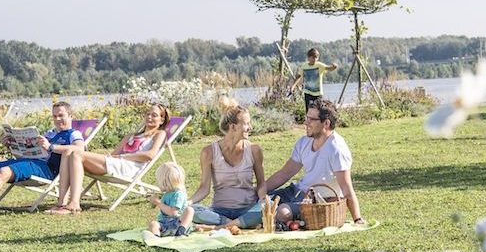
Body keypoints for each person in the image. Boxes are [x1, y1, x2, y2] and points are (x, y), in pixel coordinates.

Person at [44, 103, 171, 214]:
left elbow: (150, 155)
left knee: (76, 153)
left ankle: (74, 204)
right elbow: (113, 154)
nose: (149, 117)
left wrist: (122, 157)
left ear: (161, 120)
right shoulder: (131, 135)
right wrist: (114, 156)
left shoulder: (160, 134)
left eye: (154, 115)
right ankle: (61, 203)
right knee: (69, 151)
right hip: (116, 163)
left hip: (129, 168)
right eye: (147, 114)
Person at [263, 98, 364, 225]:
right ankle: (235, 221)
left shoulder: (337, 149)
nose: (306, 122)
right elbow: (285, 173)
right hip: (295, 191)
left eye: (311, 119)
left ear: (326, 123)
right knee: (259, 201)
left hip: (315, 200)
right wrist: (260, 190)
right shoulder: (304, 142)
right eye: (307, 118)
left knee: (282, 213)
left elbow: (347, 189)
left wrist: (357, 219)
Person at [190, 98, 266, 229]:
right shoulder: (208, 152)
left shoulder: (254, 150)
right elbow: (204, 188)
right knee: (191, 210)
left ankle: (221, 226)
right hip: (219, 212)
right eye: (247, 124)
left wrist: (263, 199)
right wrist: (187, 203)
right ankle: (235, 224)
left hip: (247, 209)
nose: (251, 127)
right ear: (233, 127)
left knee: (265, 207)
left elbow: (261, 183)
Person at [147, 162, 195, 237]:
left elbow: (173, 212)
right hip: (164, 224)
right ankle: (155, 236)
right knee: (153, 223)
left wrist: (158, 203)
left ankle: (181, 231)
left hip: (178, 223)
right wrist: (153, 201)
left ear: (165, 182)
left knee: (189, 210)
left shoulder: (178, 194)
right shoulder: (167, 194)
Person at [290, 47, 338, 112]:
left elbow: (329, 68)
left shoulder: (319, 65)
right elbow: (298, 76)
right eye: (313, 57)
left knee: (319, 111)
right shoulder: (304, 66)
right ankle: (308, 121)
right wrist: (293, 87)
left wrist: (334, 67)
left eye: (316, 57)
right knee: (309, 111)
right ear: (308, 57)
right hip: (308, 92)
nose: (315, 59)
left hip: (318, 94)